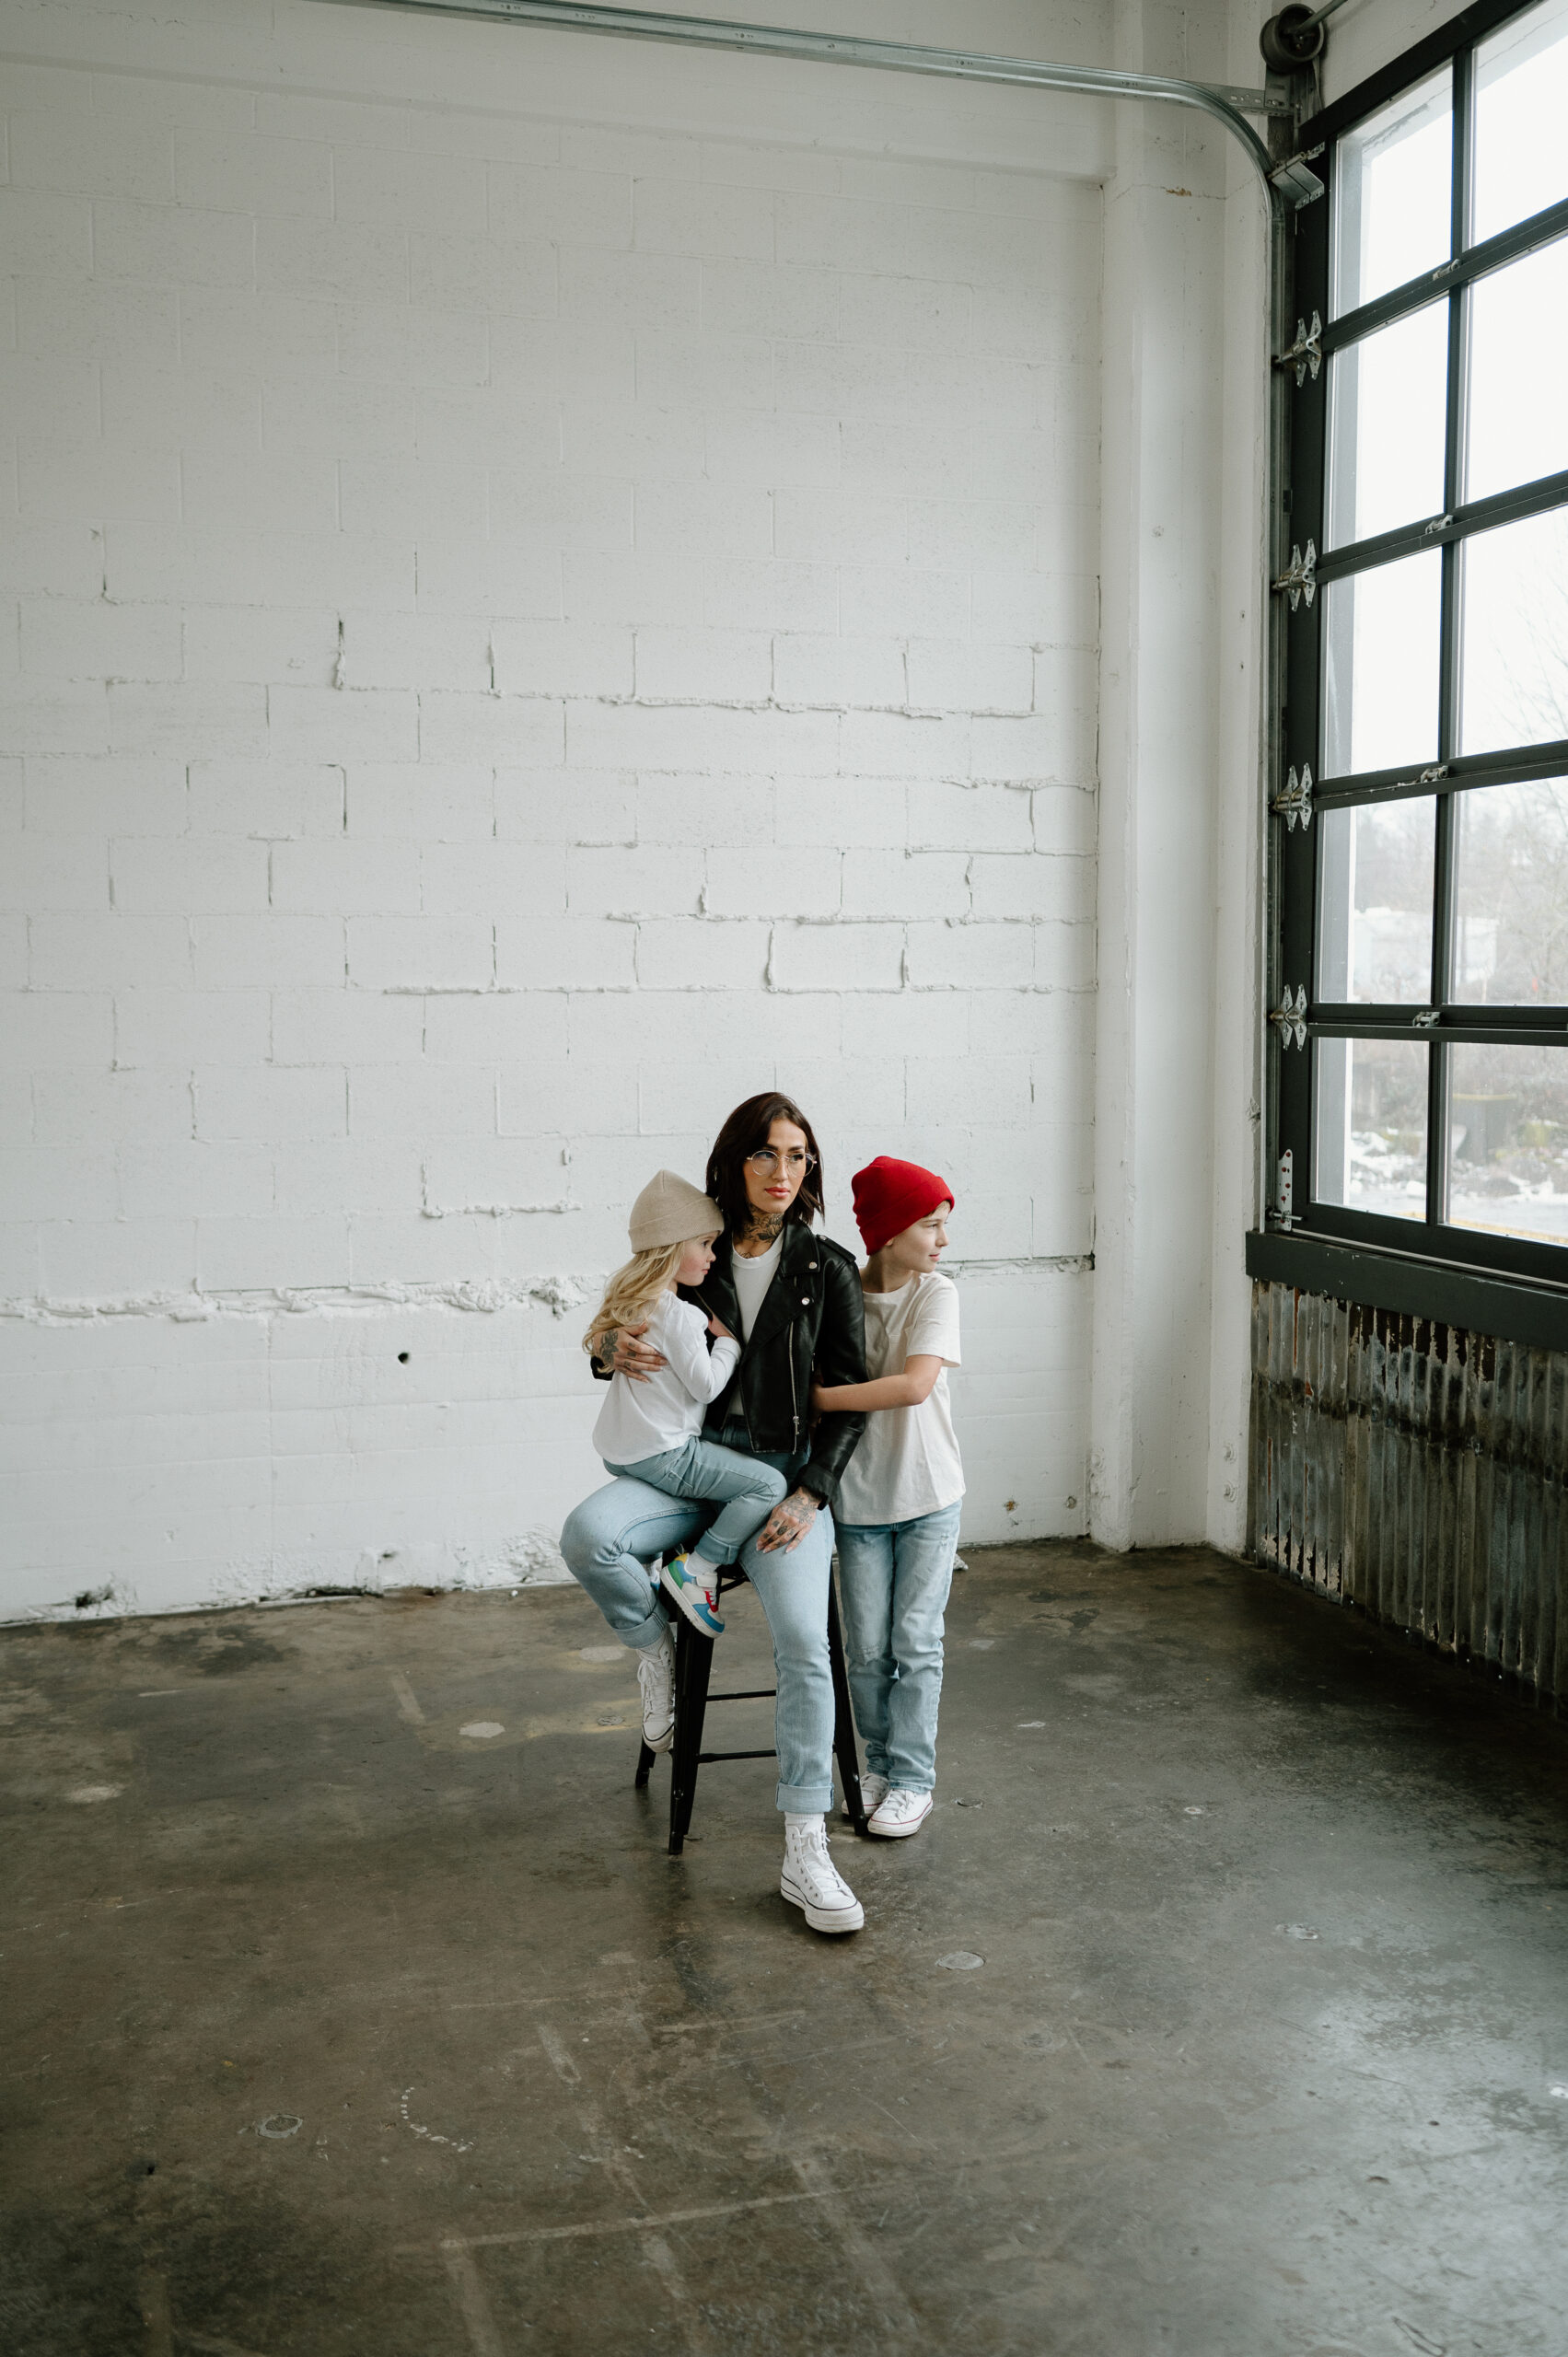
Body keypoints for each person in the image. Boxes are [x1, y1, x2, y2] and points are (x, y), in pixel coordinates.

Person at [560, 1093, 871, 1935]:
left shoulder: (827, 1268)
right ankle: (651, 1648)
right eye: (766, 1154)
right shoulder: (690, 1251)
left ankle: (805, 1844)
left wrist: (811, 1492)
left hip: (777, 1491)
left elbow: (848, 1402)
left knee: (806, 1641)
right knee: (587, 1536)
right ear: (734, 1161)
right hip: (680, 1472)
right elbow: (625, 1328)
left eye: (798, 1156)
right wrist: (602, 1351)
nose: (783, 1172)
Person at [809, 1156, 963, 1841]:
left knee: (916, 1642)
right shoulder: (835, 1296)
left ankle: (912, 1779)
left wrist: (818, 1399)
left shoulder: (937, 1295)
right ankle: (876, 1765)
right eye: (930, 1225)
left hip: (929, 1496)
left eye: (942, 1225)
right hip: (858, 1502)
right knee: (868, 1649)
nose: (941, 1240)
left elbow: (912, 1386)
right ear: (889, 1229)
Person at [584, 1167, 786, 1640]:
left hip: (621, 1452)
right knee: (766, 1486)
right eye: (705, 1244)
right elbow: (707, 1388)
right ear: (673, 1246)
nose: (712, 1257)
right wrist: (729, 1344)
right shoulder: (678, 1315)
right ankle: (700, 1566)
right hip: (666, 1452)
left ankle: (657, 1567)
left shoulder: (634, 1302)